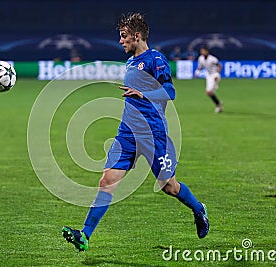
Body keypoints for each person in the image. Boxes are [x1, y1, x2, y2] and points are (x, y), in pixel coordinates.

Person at [62, 13, 209, 252]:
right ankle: (85, 235)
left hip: (153, 133)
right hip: (127, 133)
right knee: (107, 181)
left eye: (124, 36)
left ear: (137, 36)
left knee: (168, 186)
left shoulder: (156, 59)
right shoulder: (130, 62)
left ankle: (198, 209)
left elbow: (170, 92)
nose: (121, 41)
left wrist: (144, 94)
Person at [195, 46, 223, 113]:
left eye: (204, 51)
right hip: (209, 76)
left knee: (209, 92)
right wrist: (197, 72)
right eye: (202, 51)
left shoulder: (212, 59)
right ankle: (218, 103)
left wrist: (217, 74)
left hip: (215, 75)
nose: (203, 52)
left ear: (207, 51)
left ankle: (218, 105)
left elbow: (219, 66)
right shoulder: (201, 58)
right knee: (209, 93)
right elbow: (200, 66)